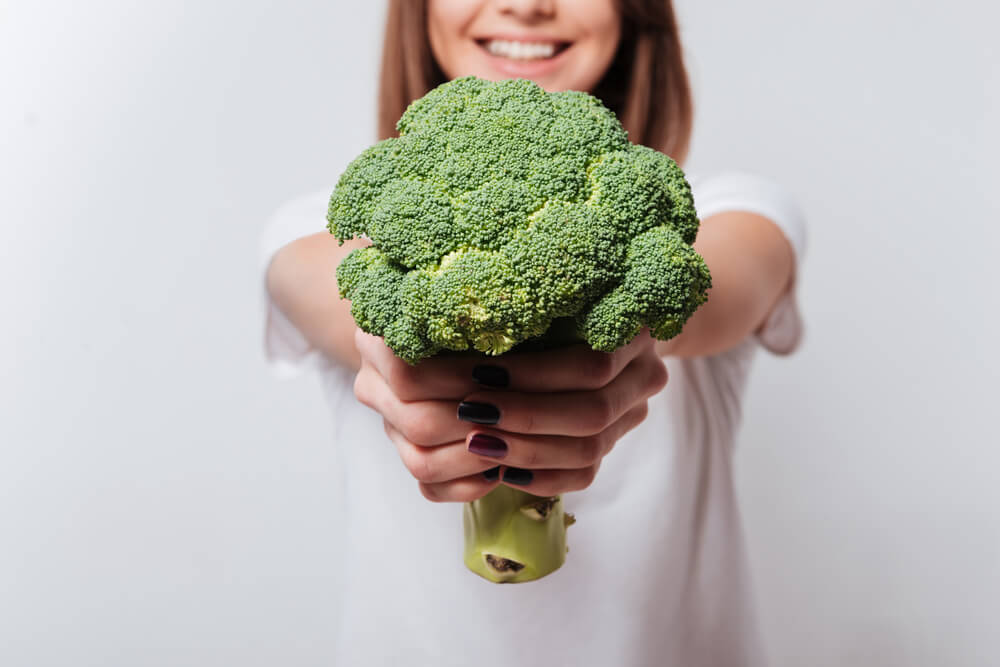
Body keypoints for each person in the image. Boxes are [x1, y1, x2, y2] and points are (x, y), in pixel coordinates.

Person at [260, 0, 806, 664]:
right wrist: (405, 348)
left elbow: (722, 280)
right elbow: (326, 284)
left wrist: (616, 314)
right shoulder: (322, 225)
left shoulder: (731, 210)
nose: (526, 4)